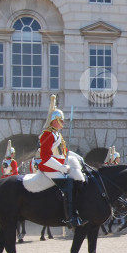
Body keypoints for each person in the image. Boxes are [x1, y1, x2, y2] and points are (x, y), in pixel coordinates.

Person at [39, 95, 84, 229]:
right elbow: (45, 157)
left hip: (58, 168)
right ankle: (70, 218)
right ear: (54, 121)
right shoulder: (47, 134)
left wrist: (79, 158)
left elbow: (64, 152)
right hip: (51, 169)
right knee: (69, 186)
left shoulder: (57, 135)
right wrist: (61, 168)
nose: (63, 123)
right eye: (61, 121)